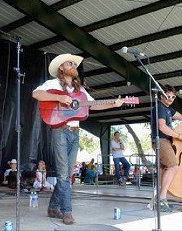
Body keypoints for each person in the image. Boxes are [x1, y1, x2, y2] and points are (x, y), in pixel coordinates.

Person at [32, 53, 124, 225]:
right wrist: (59, 97)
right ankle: (67, 212)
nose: (74, 66)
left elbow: (94, 104)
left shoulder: (79, 91)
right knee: (63, 174)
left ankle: (53, 207)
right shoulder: (52, 84)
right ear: (61, 68)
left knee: (66, 174)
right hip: (59, 131)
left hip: (75, 133)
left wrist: (114, 103)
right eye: (70, 63)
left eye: (75, 64)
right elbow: (36, 93)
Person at [151, 84, 182, 212]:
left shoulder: (168, 109)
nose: (170, 99)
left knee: (165, 169)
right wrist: (181, 136)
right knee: (173, 166)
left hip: (167, 141)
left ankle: (160, 199)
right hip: (162, 140)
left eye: (173, 97)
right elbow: (162, 127)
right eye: (168, 96)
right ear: (161, 96)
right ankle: (162, 199)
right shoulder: (160, 107)